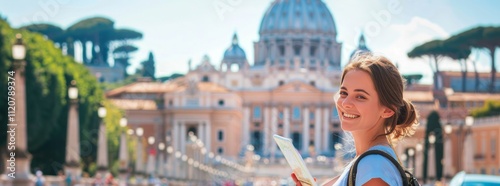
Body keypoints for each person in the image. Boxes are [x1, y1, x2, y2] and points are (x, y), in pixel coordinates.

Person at [292, 53, 419, 186]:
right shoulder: (364, 164)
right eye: (343, 93)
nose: (345, 103)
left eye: (360, 96)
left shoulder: (373, 169)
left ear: (387, 110)